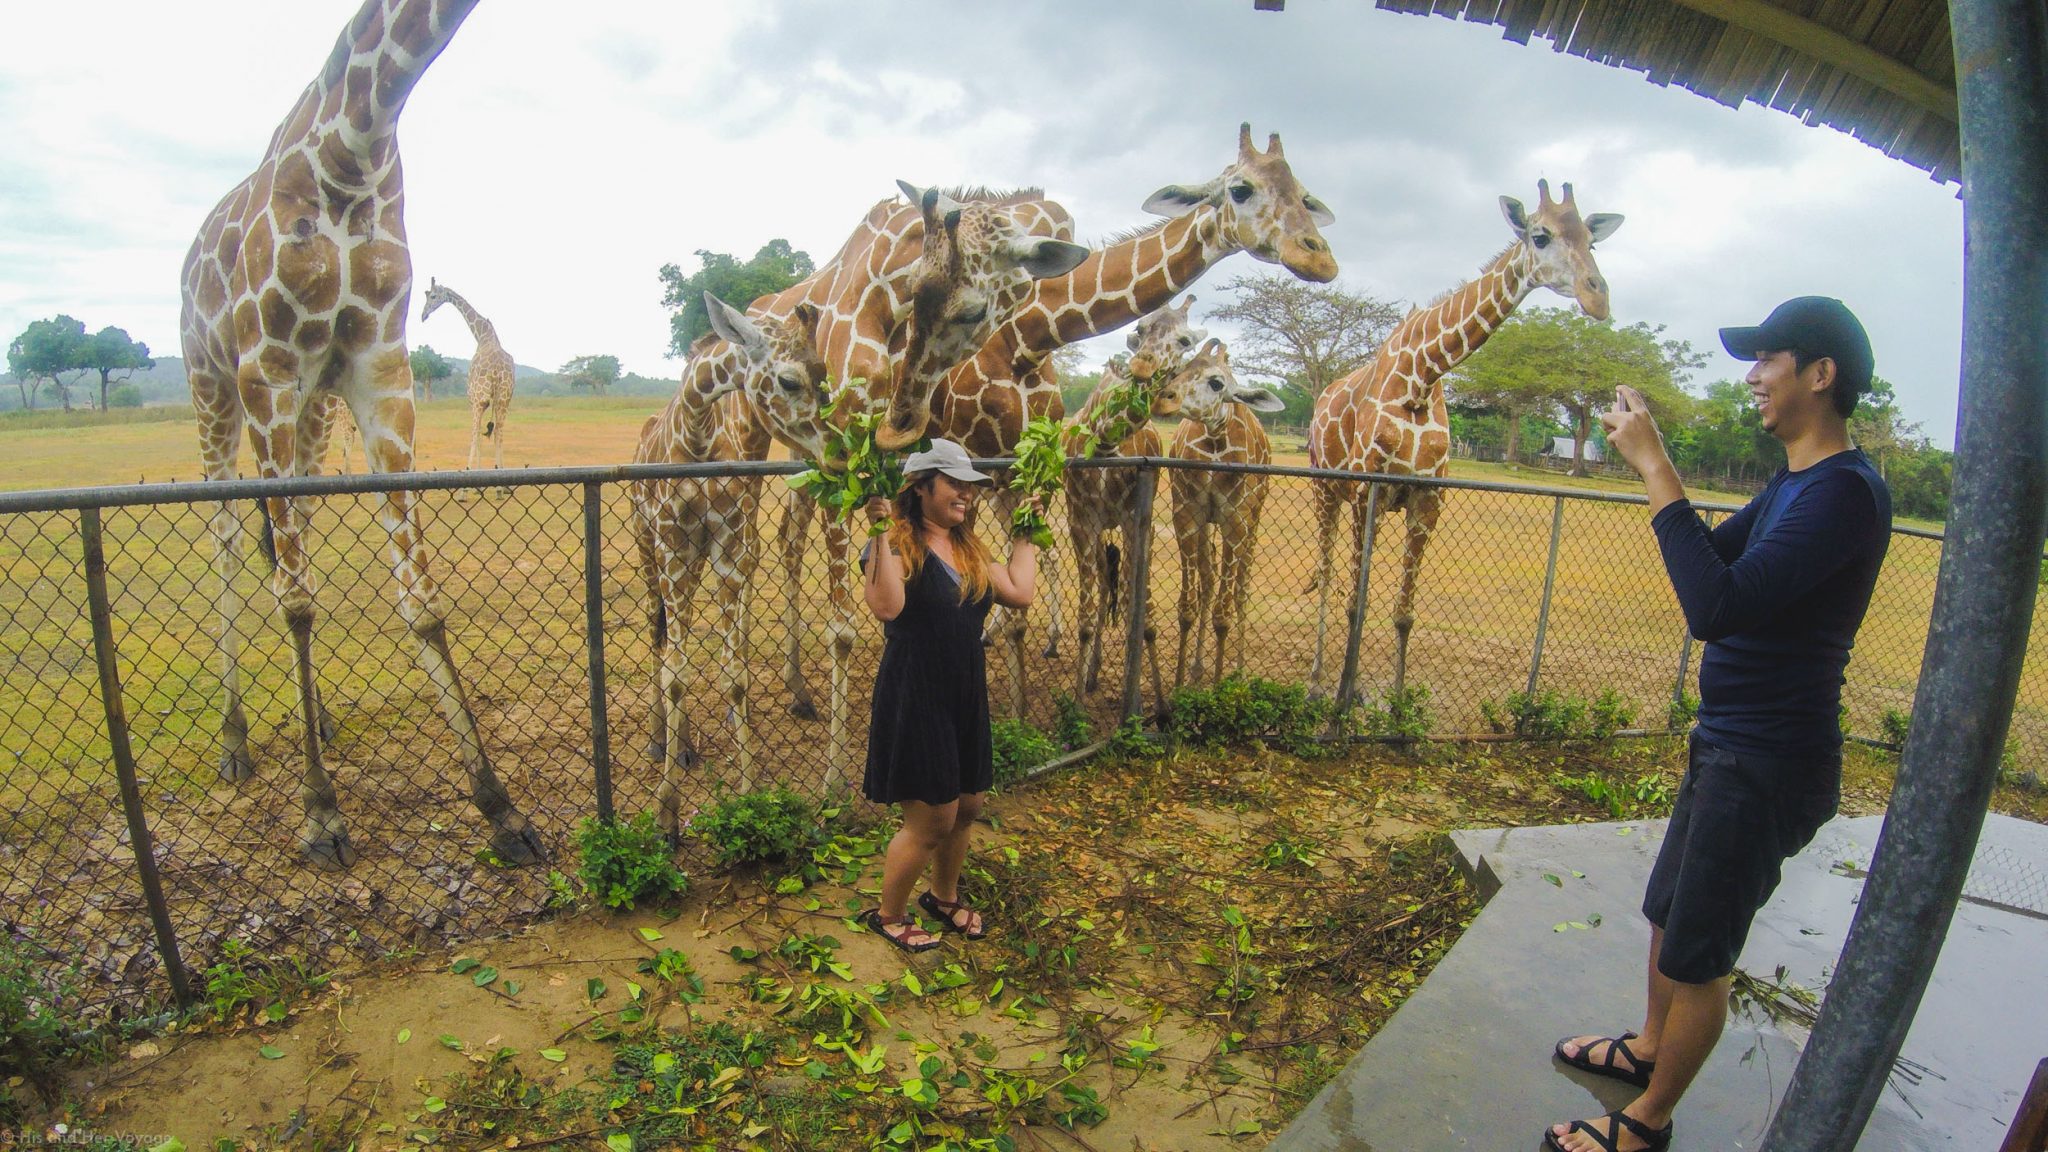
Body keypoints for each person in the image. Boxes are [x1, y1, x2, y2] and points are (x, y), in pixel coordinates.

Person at [1545, 297, 1893, 1152]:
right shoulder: (1795, 483)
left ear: (1820, 374)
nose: (1753, 377)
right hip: (1729, 741)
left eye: (1767, 360)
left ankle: (1649, 1121)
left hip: (1770, 760)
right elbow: (1712, 558)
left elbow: (1715, 607)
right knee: (1670, 909)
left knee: (1701, 950)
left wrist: (1657, 466)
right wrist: (1655, 471)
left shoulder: (1845, 494)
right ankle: (1649, 1047)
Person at [858, 438, 1041, 952]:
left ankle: (943, 897)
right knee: (932, 816)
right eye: (955, 483)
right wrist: (878, 530)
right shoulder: (895, 543)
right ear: (920, 487)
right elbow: (887, 607)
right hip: (916, 691)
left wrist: (1026, 531)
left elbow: (1020, 592)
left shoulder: (967, 546)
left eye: (970, 485)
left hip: (964, 687)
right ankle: (889, 914)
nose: (966, 493)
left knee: (968, 804)